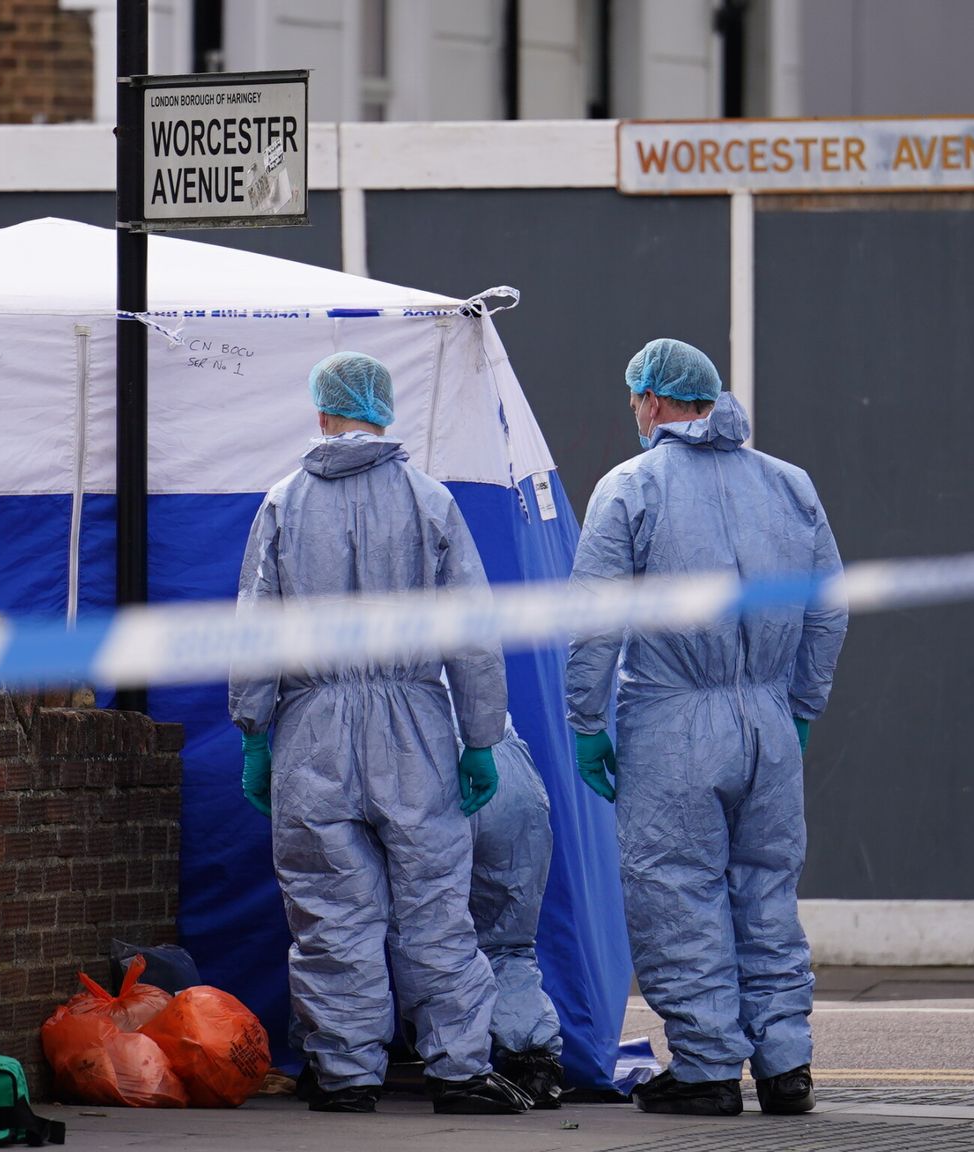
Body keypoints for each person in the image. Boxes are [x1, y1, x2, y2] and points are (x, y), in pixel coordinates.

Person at [229, 351, 530, 1116]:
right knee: (434, 901)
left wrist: (255, 732)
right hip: (414, 730)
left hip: (313, 731)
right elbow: (471, 628)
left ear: (321, 409)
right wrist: (481, 736)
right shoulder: (429, 502)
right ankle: (458, 1070)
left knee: (331, 909)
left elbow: (256, 631)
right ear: (384, 408)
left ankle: (345, 1073)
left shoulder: (282, 504)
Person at [564, 338, 848, 1117]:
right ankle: (787, 1064)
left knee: (677, 890)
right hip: (766, 714)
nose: (634, 413)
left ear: (653, 401)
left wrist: (586, 722)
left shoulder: (631, 487)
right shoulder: (789, 485)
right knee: (766, 891)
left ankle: (707, 1069)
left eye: (635, 400)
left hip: (672, 716)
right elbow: (827, 609)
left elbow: (593, 623)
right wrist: (800, 709)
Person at [467, 717, 565, 1109]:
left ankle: (345, 1070)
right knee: (507, 941)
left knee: (419, 933)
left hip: (423, 762)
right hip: (507, 761)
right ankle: (534, 1062)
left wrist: (255, 738)